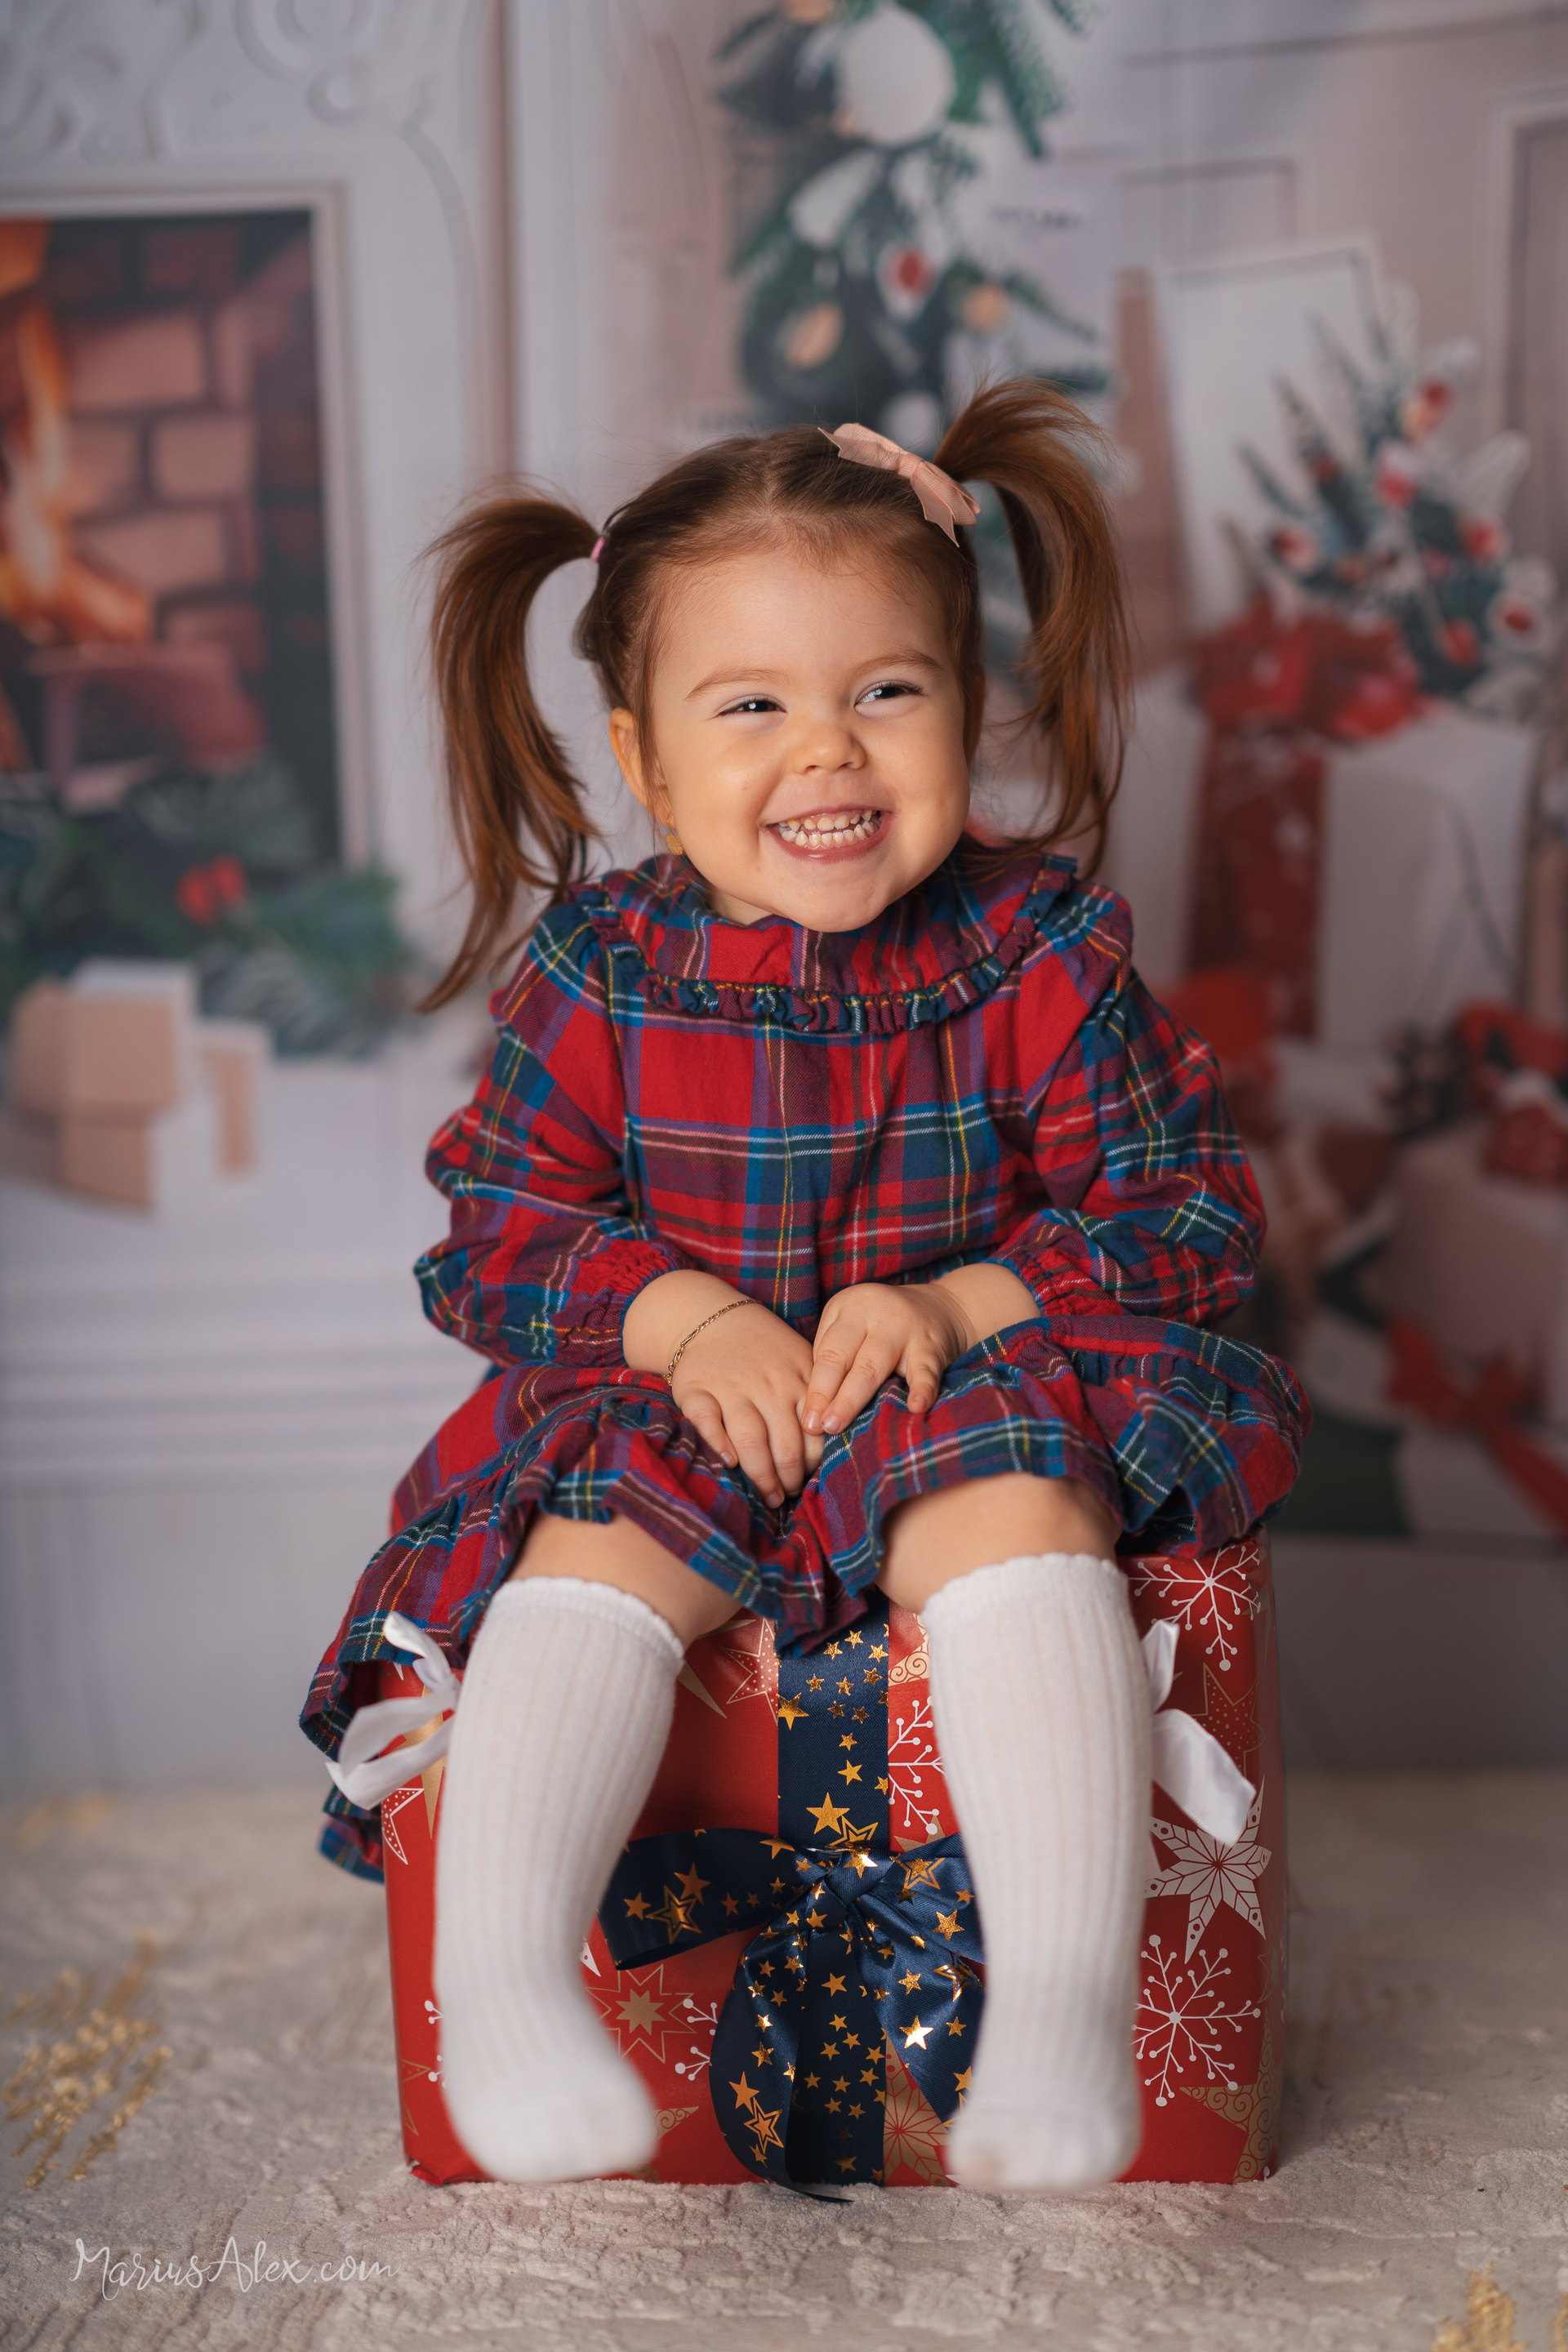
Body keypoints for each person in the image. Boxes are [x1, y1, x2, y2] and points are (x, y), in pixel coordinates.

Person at [301, 381, 1306, 2194]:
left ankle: (1062, 2003)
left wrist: (967, 1304)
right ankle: (508, 1982)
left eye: (887, 692)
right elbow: (499, 1232)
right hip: (687, 1404)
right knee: (592, 1550)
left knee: (1019, 1506)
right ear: (644, 756)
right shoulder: (604, 971)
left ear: (968, 709)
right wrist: (679, 1319)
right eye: (752, 705)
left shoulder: (1038, 952)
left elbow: (1185, 1216)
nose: (827, 753)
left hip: (959, 1393)